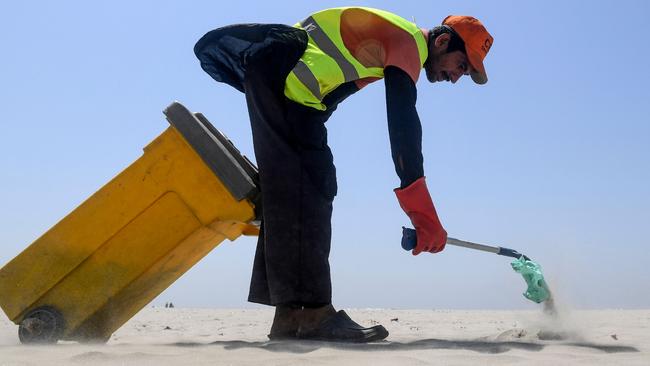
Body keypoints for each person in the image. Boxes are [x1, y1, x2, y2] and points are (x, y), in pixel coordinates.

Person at [194, 6, 493, 343]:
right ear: (441, 41)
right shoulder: (409, 42)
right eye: (461, 66)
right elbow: (404, 128)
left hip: (279, 81)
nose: (455, 77)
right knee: (310, 188)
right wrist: (424, 216)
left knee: (298, 189)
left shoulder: (391, 40)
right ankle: (314, 313)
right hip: (283, 83)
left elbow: (334, 86)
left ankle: (290, 317)